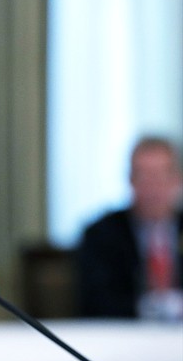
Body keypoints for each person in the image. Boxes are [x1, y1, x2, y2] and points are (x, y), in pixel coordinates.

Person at [77, 135, 183, 321]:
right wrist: (146, 307)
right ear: (130, 180)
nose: (152, 188)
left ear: (177, 180)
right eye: (144, 177)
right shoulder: (102, 234)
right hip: (123, 337)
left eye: (159, 176)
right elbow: (94, 301)